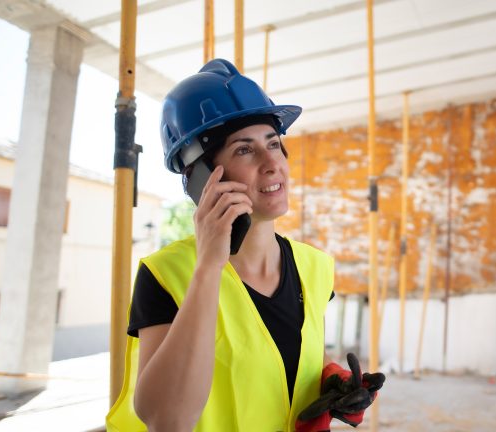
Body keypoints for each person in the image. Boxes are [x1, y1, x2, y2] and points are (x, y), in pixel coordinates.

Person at [106, 59, 381, 432]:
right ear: (203, 177)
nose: (273, 163)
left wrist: (330, 386)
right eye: (244, 150)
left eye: (274, 144)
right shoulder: (167, 275)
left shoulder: (315, 268)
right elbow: (167, 420)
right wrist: (208, 267)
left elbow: (279, 366)